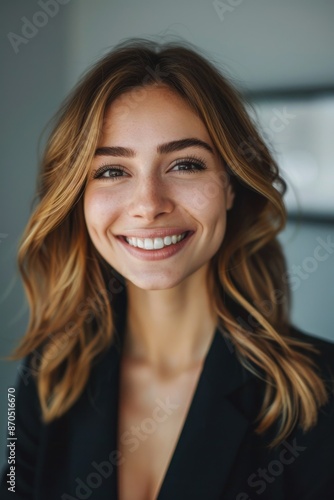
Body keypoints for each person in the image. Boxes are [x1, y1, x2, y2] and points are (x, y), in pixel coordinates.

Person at [1, 38, 334, 500]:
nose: (149, 205)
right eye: (113, 171)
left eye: (184, 164)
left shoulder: (319, 393)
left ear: (231, 185)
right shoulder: (46, 379)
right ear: (78, 198)